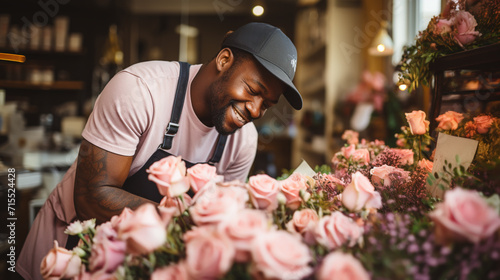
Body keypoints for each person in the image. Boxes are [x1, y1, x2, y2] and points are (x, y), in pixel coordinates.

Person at [17, 22, 302, 280]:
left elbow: (219, 225)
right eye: (253, 89)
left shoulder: (243, 141)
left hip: (141, 265)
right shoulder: (140, 91)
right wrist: (187, 219)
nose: (254, 109)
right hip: (67, 254)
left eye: (266, 104)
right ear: (224, 60)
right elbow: (91, 197)